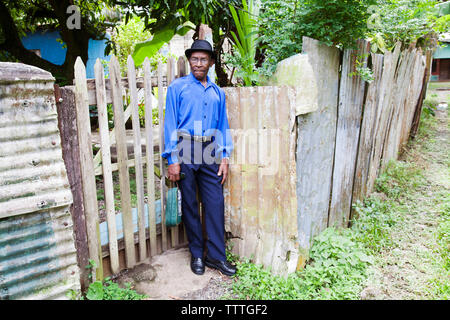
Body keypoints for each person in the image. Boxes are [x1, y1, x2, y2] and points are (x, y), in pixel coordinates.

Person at [161, 39, 236, 276]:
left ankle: (216, 257)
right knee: (191, 204)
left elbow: (223, 125)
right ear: (189, 60)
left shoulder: (217, 93)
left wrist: (224, 156)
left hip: (211, 150)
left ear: (211, 62)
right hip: (185, 148)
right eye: (195, 59)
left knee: (215, 203)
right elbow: (170, 123)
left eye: (203, 59)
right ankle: (196, 254)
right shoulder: (177, 88)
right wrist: (172, 158)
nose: (199, 63)